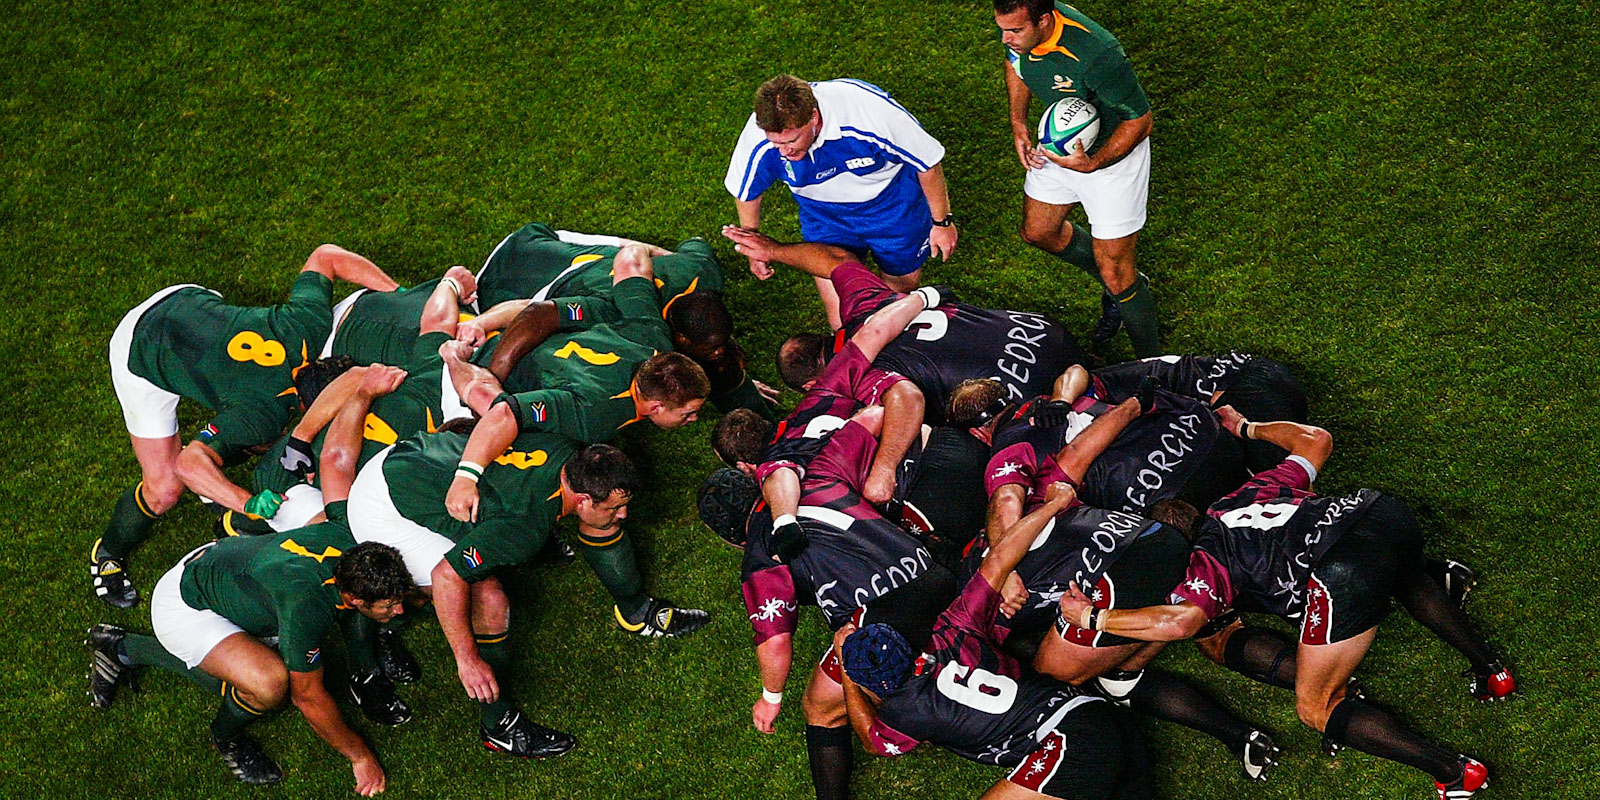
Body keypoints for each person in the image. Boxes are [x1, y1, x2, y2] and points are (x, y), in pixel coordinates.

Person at [1056, 410, 1513, 800]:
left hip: (1342, 573)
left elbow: (1181, 622)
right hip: (1380, 513)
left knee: (1315, 707)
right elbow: (1318, 439)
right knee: (1406, 574)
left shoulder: (1203, 562)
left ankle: (1455, 773)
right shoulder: (1241, 495)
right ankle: (1491, 669)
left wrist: (1091, 616)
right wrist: (1246, 427)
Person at [86, 366, 414, 792]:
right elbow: (309, 699)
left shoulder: (348, 537)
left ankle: (136, 647)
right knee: (270, 684)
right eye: (389, 606)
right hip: (184, 607)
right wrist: (361, 758)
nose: (400, 609)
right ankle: (221, 732)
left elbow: (337, 457)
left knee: (270, 654)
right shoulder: (305, 608)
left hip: (224, 568)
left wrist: (360, 394)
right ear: (349, 597)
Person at [95, 243, 398, 608]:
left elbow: (325, 256)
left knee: (250, 439)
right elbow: (187, 463)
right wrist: (247, 502)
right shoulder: (262, 414)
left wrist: (399, 294)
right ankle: (107, 552)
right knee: (165, 489)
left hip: (188, 300)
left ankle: (217, 488)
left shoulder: (305, 326)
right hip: (141, 348)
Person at [835, 482, 1154, 800]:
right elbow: (999, 559)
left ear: (878, 689)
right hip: (1093, 715)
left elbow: (871, 739)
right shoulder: (955, 627)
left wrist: (846, 672)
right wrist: (1056, 503)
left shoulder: (904, 712)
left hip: (1070, 741)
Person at [712, 406, 962, 800]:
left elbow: (775, 642)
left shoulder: (760, 555)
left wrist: (769, 699)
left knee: (819, 707)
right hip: (936, 568)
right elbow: (873, 416)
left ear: (730, 535)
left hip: (888, 618)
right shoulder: (815, 469)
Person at [346, 428, 640, 758]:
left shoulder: (564, 448)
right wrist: (467, 658)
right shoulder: (523, 527)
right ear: (583, 500)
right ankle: (499, 726)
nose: (622, 514)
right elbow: (447, 577)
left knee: (490, 549)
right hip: (385, 510)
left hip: (409, 457)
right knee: (488, 597)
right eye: (615, 508)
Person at [724, 227, 1089, 421]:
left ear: (810, 385)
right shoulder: (865, 304)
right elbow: (836, 259)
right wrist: (773, 250)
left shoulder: (868, 386)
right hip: (1050, 333)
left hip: (1039, 392)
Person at [473, 221, 777, 418]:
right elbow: (537, 312)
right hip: (534, 267)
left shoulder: (702, 273)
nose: (719, 353)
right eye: (710, 350)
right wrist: (492, 379)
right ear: (679, 339)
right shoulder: (620, 313)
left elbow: (694, 244)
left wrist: (732, 376)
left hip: (612, 259)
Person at [725, 75, 956, 329]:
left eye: (792, 141)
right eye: (776, 142)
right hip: (824, 215)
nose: (784, 152)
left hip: (893, 205)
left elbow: (928, 163)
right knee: (843, 320)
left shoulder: (870, 114)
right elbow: (746, 190)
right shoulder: (758, 138)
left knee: (897, 296)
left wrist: (942, 223)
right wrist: (752, 243)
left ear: (814, 117)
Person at [995, 0, 1159, 356]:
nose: (1006, 37)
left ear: (1044, 19)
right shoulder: (1016, 28)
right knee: (1039, 231)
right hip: (1061, 141)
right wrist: (1018, 123)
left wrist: (1094, 162)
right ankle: (1123, 290)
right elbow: (1016, 65)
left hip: (1113, 157)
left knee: (1116, 269)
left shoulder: (1099, 54)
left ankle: (1153, 362)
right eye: (1002, 28)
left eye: (1015, 31)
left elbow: (1141, 121)